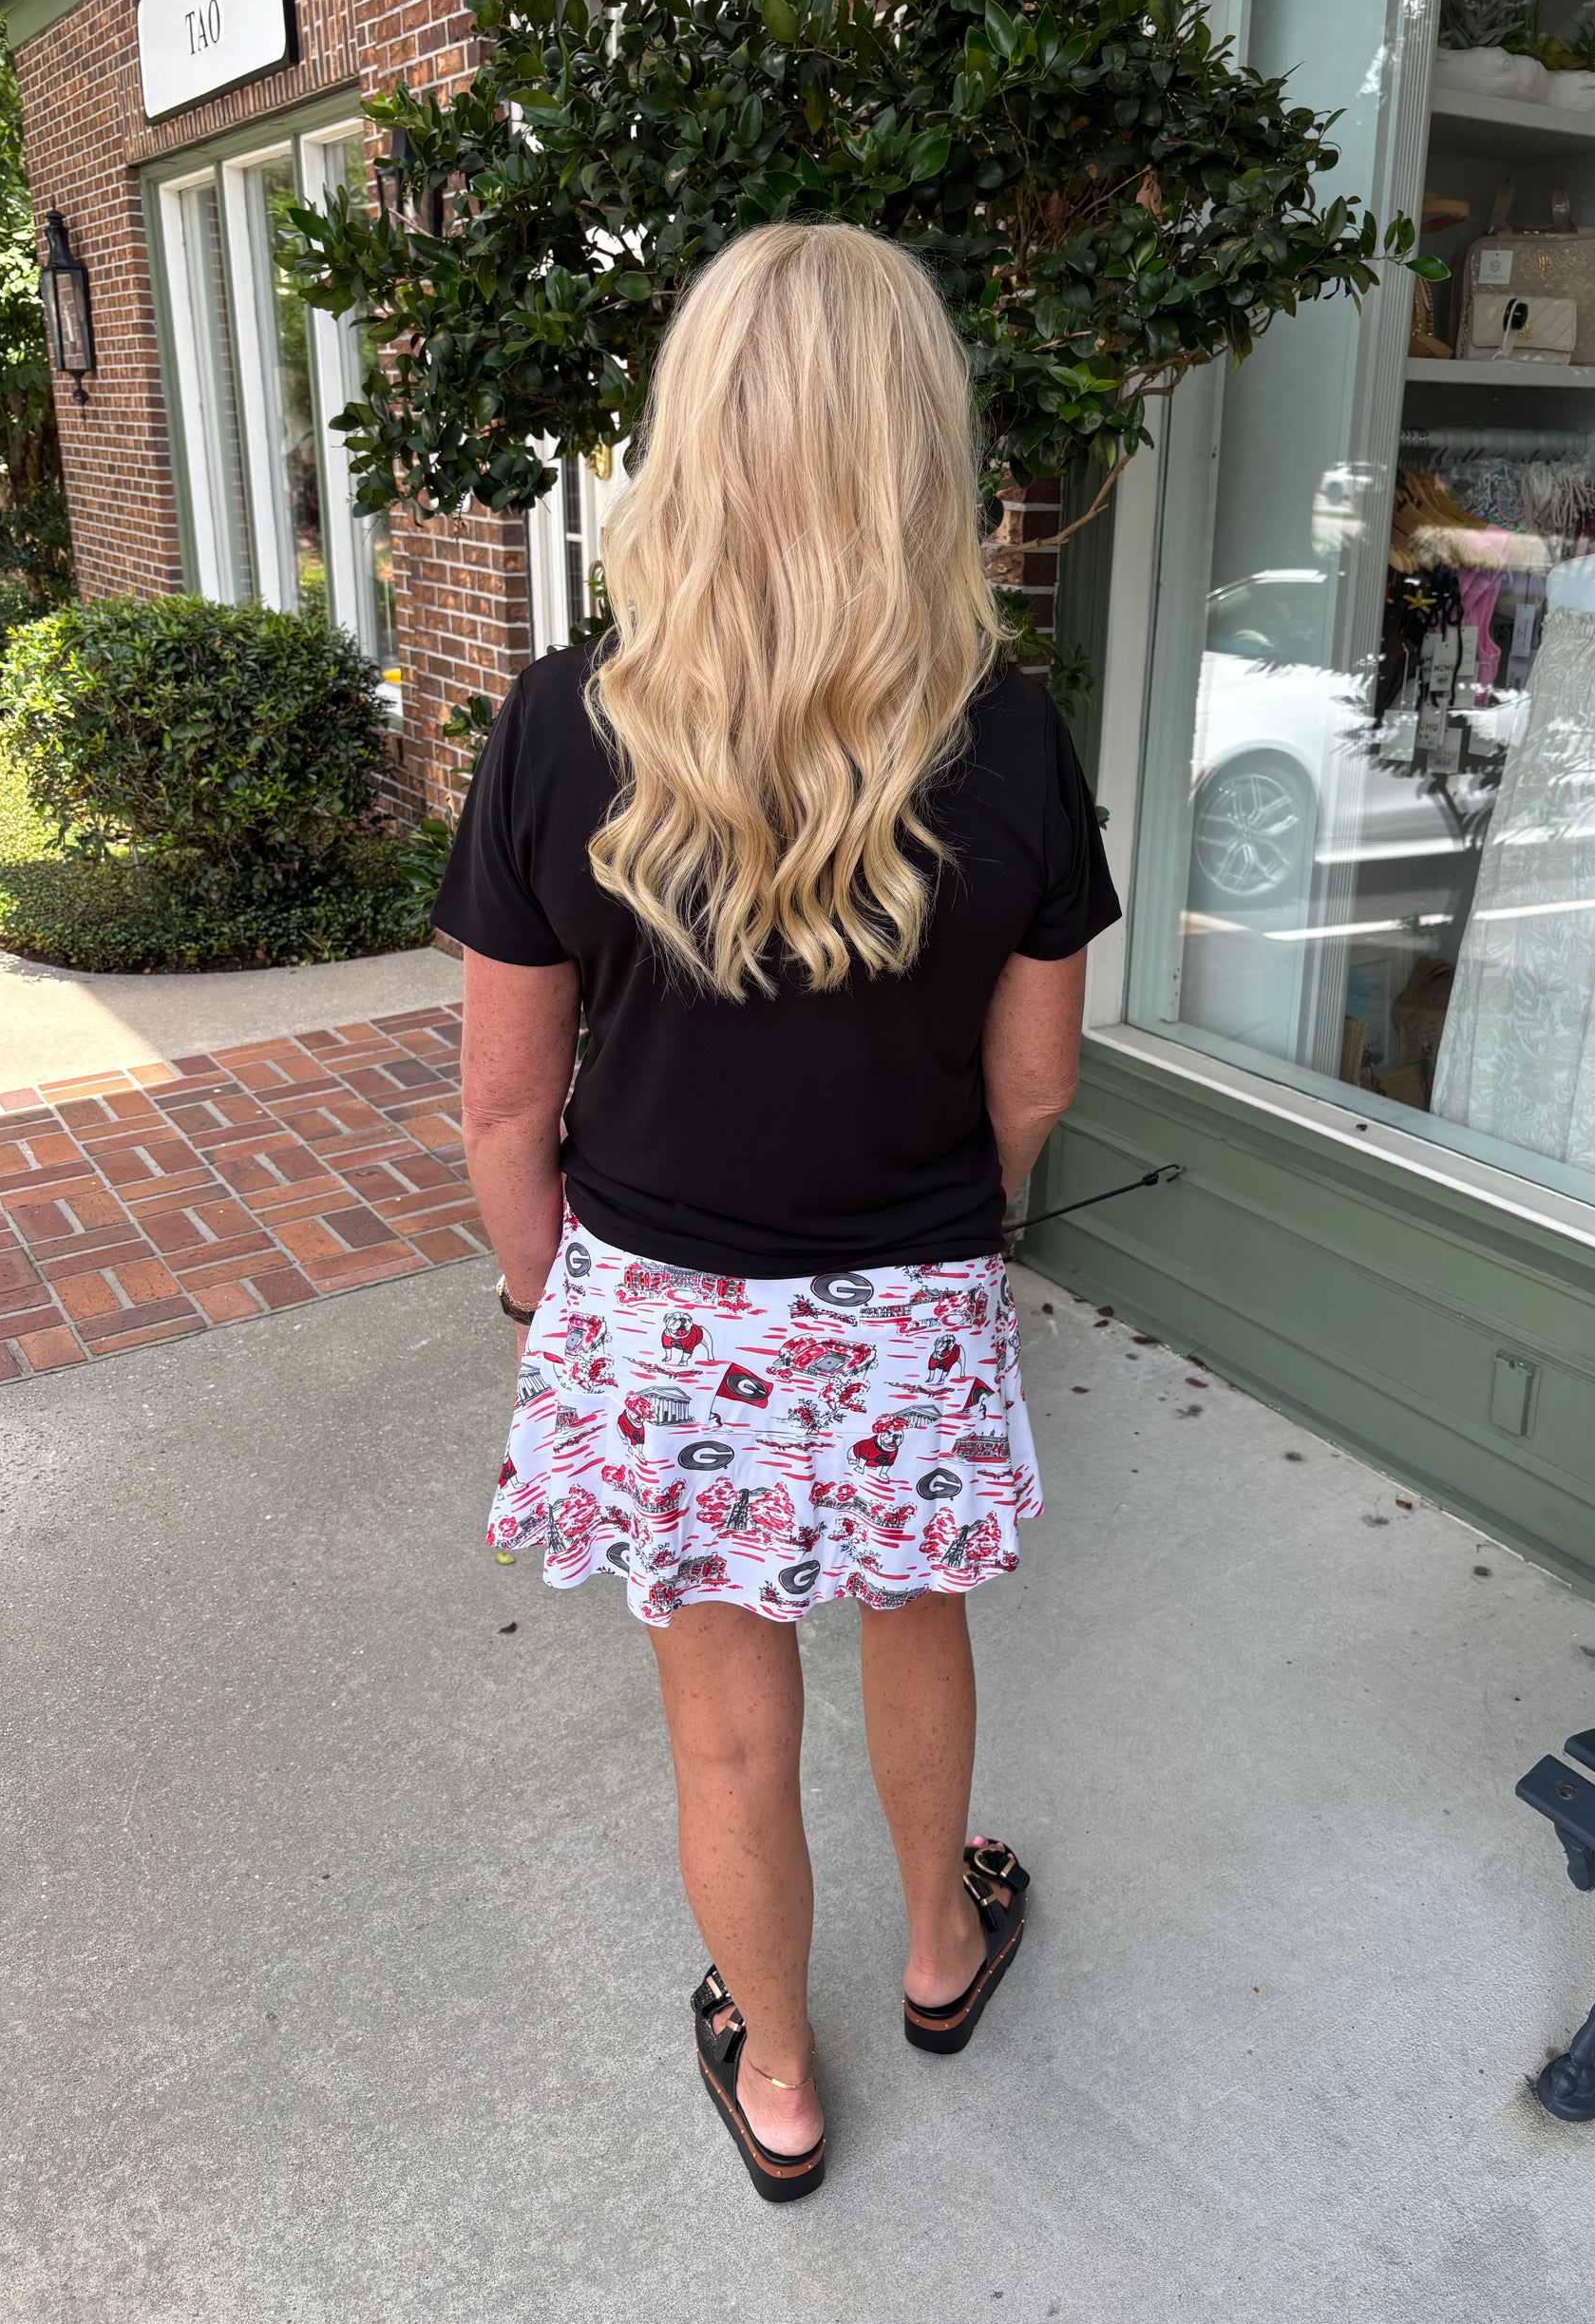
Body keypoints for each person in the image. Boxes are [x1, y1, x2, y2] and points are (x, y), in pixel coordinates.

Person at [434, 222, 1119, 2201]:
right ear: (918, 440)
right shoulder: (1008, 729)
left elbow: (499, 1100)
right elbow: (1041, 1079)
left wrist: (545, 1301)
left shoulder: (565, 722)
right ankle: (938, 1945)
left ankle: (787, 2081)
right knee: (916, 1621)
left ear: (690, 431)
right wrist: (942, 1229)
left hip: (655, 1298)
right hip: (908, 1282)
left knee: (727, 1721)